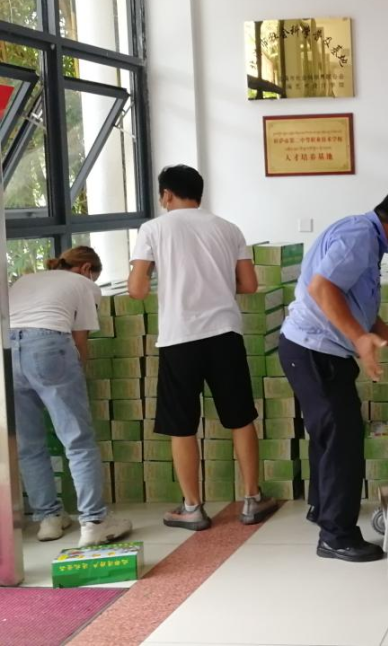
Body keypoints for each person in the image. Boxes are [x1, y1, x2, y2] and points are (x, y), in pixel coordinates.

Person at [279, 188, 388, 562]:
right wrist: (360, 339)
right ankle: (337, 536)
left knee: (329, 436)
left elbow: (356, 303)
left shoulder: (362, 235)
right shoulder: (361, 236)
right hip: (315, 350)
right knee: (342, 440)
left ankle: (321, 509)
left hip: (314, 350)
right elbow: (323, 288)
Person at [129, 165, 278, 532]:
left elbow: (137, 290)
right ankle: (252, 499)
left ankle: (193, 507)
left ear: (166, 195)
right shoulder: (228, 228)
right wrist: (217, 284)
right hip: (224, 333)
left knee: (182, 425)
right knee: (240, 417)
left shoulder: (153, 229)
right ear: (199, 193)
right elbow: (249, 284)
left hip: (179, 337)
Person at [10, 247, 132, 547]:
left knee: (28, 444)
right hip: (48, 346)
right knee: (77, 440)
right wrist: (78, 376)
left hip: (7, 350)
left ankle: (49, 519)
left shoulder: (26, 279)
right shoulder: (84, 284)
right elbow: (80, 340)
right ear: (87, 268)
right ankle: (94, 522)